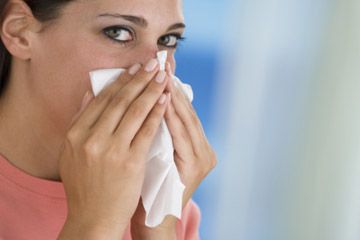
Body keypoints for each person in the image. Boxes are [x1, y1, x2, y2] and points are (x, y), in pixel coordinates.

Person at [0, 0, 217, 239]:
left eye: (168, 40)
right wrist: (95, 225)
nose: (155, 67)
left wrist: (158, 229)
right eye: (118, 32)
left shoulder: (162, 202)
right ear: (19, 31)